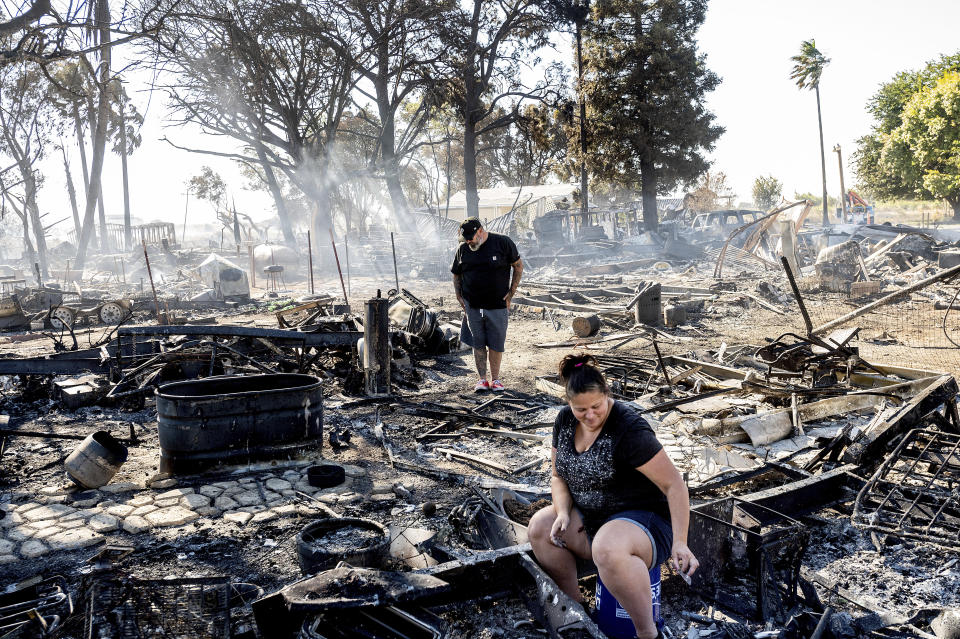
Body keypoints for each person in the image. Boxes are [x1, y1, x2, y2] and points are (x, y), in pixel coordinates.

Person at [528, 354, 698, 639]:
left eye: (596, 406)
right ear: (569, 403)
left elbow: (674, 485)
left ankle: (647, 633)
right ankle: (579, 612)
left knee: (607, 545)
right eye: (581, 409)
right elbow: (558, 477)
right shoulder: (565, 421)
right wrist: (562, 512)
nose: (590, 415)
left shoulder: (629, 429)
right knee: (540, 528)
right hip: (593, 519)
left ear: (607, 394)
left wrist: (681, 541)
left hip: (646, 524)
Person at [451, 218, 523, 392]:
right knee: (478, 343)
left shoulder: (502, 242)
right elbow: (456, 274)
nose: (469, 241)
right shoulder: (463, 249)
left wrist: (511, 293)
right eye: (466, 238)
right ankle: (482, 380)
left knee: (496, 344)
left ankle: (496, 380)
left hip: (497, 304)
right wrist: (459, 296)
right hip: (473, 305)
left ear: (481, 231)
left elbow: (518, 266)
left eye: (471, 237)